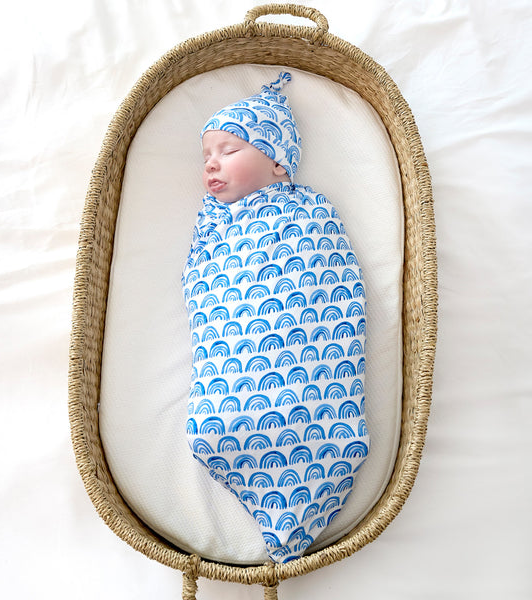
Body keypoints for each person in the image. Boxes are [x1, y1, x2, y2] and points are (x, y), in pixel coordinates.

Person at [182, 72, 370, 563]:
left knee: (310, 399)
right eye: (206, 156)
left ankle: (319, 449)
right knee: (214, 425)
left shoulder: (308, 211)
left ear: (277, 160)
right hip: (235, 354)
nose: (211, 163)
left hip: (300, 343)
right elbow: (203, 285)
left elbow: (330, 277)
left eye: (229, 150)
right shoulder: (213, 222)